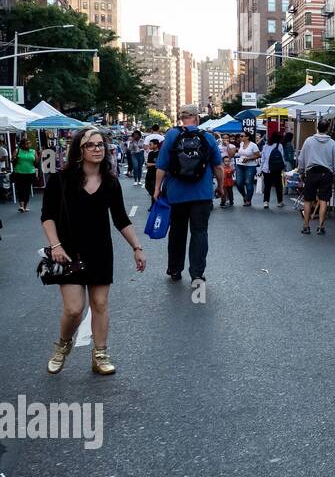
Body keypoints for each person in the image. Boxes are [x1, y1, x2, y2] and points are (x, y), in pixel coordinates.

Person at [41, 127, 147, 375]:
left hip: (100, 250)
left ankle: (100, 354)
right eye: (91, 145)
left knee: (100, 304)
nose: (98, 149)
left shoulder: (110, 182)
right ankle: (62, 345)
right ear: (79, 150)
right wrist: (55, 245)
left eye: (101, 144)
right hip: (67, 252)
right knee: (74, 309)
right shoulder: (61, 180)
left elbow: (121, 219)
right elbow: (48, 217)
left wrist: (137, 247)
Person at [154, 104, 224, 284]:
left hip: (176, 193)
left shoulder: (171, 135)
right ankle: (197, 273)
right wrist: (221, 187)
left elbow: (161, 165)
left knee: (177, 231)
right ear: (197, 118)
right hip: (202, 194)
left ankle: (175, 269)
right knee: (199, 232)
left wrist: (156, 189)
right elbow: (218, 166)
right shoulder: (207, 137)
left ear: (181, 118)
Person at [298, 118, 335, 235]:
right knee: (323, 201)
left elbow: (301, 158)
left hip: (311, 173)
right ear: (328, 129)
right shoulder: (332, 143)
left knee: (308, 200)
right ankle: (320, 227)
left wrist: (301, 172)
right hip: (326, 174)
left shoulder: (308, 141)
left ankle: (306, 226)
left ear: (317, 127)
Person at [260, 130, 288, 207]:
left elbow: (263, 158)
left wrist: (261, 168)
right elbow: (282, 157)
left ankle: (266, 202)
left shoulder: (265, 146)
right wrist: (284, 166)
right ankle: (280, 201)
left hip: (266, 168)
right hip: (276, 168)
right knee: (278, 185)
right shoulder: (279, 146)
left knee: (267, 186)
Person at [235, 131, 261, 206]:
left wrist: (249, 158)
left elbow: (258, 155)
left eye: (242, 136)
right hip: (240, 164)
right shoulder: (241, 143)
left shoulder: (253, 145)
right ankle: (245, 196)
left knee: (248, 182)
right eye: (240, 136)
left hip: (250, 166)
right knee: (239, 183)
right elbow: (241, 153)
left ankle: (248, 200)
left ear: (247, 137)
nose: (241, 137)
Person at [12, 135, 37, 212]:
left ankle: (25, 206)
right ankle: (21, 206)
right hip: (19, 172)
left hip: (30, 173)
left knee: (27, 189)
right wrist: (15, 158)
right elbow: (12, 161)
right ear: (22, 144)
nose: (29, 145)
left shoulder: (33, 151)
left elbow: (36, 162)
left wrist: (40, 155)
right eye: (27, 143)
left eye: (29, 143)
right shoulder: (17, 150)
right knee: (20, 189)